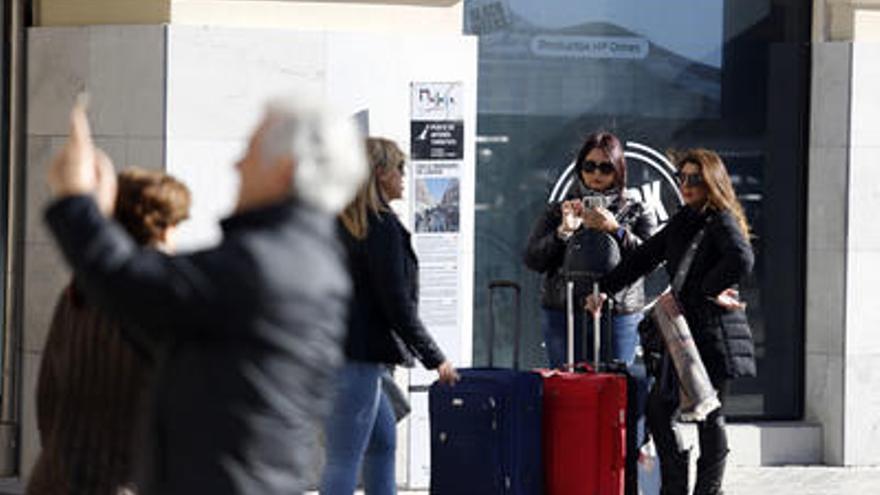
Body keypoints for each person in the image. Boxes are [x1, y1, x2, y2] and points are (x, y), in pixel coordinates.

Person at [43, 96, 368, 495]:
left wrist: (76, 200)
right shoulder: (300, 256)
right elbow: (163, 327)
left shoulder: (266, 262)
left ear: (286, 171)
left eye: (250, 152)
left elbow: (131, 285)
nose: (236, 165)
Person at [586, 149, 756, 495]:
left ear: (712, 181)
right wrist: (604, 290)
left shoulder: (719, 219)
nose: (687, 185)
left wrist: (708, 290)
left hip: (713, 333)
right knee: (660, 410)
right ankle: (675, 487)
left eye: (695, 178)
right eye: (682, 178)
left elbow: (742, 258)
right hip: (683, 333)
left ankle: (708, 489)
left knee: (709, 414)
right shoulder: (685, 219)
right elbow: (646, 256)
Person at [28, 168, 191, 495]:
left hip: (57, 475)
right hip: (127, 480)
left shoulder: (77, 292)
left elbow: (47, 390)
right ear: (167, 228)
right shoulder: (169, 295)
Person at [322, 137, 458, 495]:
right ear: (380, 174)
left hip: (348, 355)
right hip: (357, 357)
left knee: (381, 443)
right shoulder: (377, 226)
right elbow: (395, 302)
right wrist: (436, 357)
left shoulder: (342, 223)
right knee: (344, 458)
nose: (403, 176)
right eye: (399, 168)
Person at [524, 131, 656, 368]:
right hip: (564, 311)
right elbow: (533, 259)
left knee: (615, 386)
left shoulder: (637, 210)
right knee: (566, 388)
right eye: (589, 166)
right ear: (579, 169)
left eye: (605, 168)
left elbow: (650, 260)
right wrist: (563, 232)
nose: (596, 174)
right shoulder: (559, 210)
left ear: (618, 170)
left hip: (618, 312)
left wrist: (616, 229)